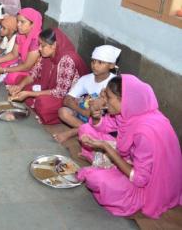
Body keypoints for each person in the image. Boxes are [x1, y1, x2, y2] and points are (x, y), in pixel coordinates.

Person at [76, 75, 182, 218]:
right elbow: (105, 126)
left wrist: (107, 148)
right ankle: (103, 163)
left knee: (96, 179)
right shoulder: (128, 112)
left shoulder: (145, 133)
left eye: (108, 97)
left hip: (150, 185)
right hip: (132, 160)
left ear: (123, 100)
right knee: (85, 129)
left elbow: (140, 179)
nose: (104, 101)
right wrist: (96, 117)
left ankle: (103, 165)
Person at [10, 28, 88, 125]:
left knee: (43, 103)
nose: (39, 48)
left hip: (68, 98)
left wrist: (29, 94)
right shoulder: (46, 55)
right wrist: (20, 86)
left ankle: (47, 113)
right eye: (39, 45)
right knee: (21, 81)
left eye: (42, 46)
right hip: (51, 88)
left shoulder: (67, 60)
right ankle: (35, 102)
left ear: (54, 45)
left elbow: (61, 92)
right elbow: (33, 74)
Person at [54, 45, 121, 143]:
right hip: (84, 114)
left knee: (100, 120)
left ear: (111, 65)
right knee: (63, 112)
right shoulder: (86, 79)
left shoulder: (114, 83)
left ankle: (74, 132)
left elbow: (104, 110)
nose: (95, 65)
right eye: (93, 61)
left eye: (100, 62)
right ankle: (88, 130)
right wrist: (83, 111)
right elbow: (67, 100)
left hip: (101, 120)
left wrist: (83, 108)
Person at [0, 8, 42, 85]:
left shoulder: (37, 41)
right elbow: (13, 54)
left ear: (33, 24)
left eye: (22, 22)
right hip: (21, 62)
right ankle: (3, 75)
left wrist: (4, 70)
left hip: (31, 71)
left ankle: (5, 76)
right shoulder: (20, 35)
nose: (18, 25)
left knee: (12, 77)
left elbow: (27, 66)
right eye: (18, 21)